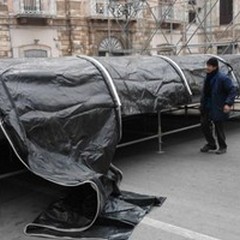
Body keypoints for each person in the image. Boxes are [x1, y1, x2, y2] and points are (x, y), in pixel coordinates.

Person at [200, 57, 237, 154]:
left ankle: (222, 146)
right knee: (204, 124)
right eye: (207, 65)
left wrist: (228, 103)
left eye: (209, 66)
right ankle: (211, 144)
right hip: (207, 105)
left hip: (217, 105)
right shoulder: (207, 77)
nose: (207, 67)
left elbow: (232, 90)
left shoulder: (222, 78)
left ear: (215, 67)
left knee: (218, 126)